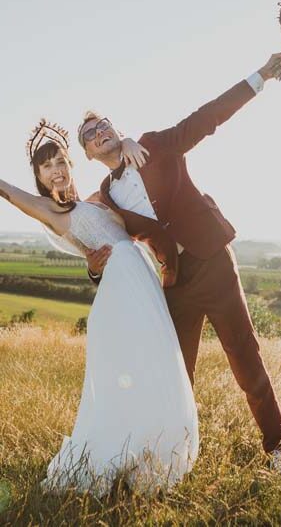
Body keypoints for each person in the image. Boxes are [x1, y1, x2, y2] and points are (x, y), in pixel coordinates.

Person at [79, 51, 281, 478]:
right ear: (88, 153)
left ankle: (278, 450)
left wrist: (262, 76)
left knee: (245, 357)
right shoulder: (105, 201)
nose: (100, 131)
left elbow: (207, 117)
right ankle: (172, 460)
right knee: (176, 375)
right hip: (175, 283)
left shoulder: (155, 145)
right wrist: (93, 266)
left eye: (104, 124)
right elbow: (102, 247)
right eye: (90, 133)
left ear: (117, 130)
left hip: (213, 262)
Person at [0, 122, 199, 497]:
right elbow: (7, 191)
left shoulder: (97, 198)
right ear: (40, 178)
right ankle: (118, 449)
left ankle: (152, 453)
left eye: (60, 160)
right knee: (129, 375)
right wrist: (94, 265)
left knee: (157, 367)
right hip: (121, 292)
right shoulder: (49, 210)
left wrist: (124, 140)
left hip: (141, 281)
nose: (56, 169)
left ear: (72, 163)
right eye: (47, 167)